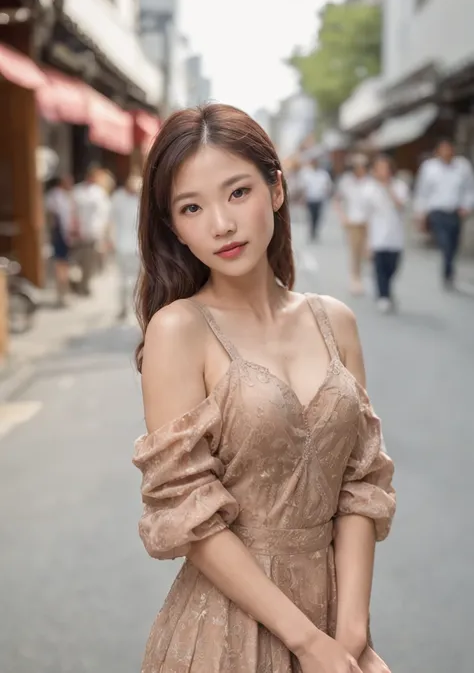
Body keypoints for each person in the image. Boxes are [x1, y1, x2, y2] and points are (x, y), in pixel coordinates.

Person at [132, 104, 396, 673]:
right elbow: (188, 508)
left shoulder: (336, 321)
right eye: (191, 207)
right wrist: (306, 642)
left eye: (237, 193)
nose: (221, 225)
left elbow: (361, 481)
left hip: (335, 629)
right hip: (227, 632)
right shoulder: (179, 329)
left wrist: (349, 634)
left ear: (275, 189)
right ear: (173, 226)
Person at [414, 138, 474, 289]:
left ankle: (449, 270)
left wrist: (467, 206)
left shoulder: (462, 167)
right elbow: (422, 192)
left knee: (453, 244)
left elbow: (469, 189)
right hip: (437, 211)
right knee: (445, 242)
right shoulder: (429, 168)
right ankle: (447, 272)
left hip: (455, 212)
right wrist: (421, 213)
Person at [363, 155, 410, 313]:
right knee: (380, 268)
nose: (383, 171)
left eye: (385, 168)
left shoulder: (400, 186)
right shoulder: (369, 189)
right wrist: (366, 241)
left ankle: (386, 290)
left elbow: (401, 206)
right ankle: (383, 295)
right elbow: (366, 216)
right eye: (379, 168)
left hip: (395, 235)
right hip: (377, 236)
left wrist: (389, 188)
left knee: (393, 267)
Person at [334, 154, 371, 295]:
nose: (360, 169)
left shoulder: (370, 182)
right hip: (353, 222)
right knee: (355, 251)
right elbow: (337, 200)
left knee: (365, 252)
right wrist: (342, 217)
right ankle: (355, 278)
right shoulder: (347, 182)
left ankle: (360, 275)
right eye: (357, 166)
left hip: (368, 222)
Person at [72, 165, 111, 296]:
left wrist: (104, 233)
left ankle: (86, 284)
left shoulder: (99, 193)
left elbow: (105, 214)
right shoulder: (77, 191)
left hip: (93, 232)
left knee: (89, 260)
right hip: (77, 232)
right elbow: (72, 211)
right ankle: (79, 283)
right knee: (78, 260)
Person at [109, 173, 141, 320]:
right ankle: (124, 307)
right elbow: (111, 221)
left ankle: (132, 306)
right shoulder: (118, 198)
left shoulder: (139, 200)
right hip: (123, 245)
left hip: (135, 247)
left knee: (134, 279)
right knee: (125, 279)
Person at [44, 174, 76, 307]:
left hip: (65, 234)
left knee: (65, 264)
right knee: (61, 264)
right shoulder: (55, 196)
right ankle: (61, 293)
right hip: (59, 234)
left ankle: (64, 292)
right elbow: (52, 216)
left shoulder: (66, 196)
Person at [299, 156, 332, 241]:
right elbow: (304, 187)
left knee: (317, 216)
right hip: (310, 198)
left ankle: (315, 230)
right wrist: (303, 198)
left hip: (319, 198)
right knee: (311, 215)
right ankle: (311, 230)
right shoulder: (307, 174)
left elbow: (328, 185)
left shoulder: (323, 174)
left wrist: (326, 193)